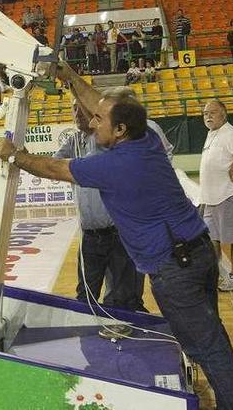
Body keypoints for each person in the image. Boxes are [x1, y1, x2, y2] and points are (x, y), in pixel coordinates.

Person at [0, 62, 233, 410]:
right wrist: (68, 76)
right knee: (211, 337)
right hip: (197, 254)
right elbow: (100, 102)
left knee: (206, 347)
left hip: (175, 267)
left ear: (119, 130)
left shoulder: (114, 165)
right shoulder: (145, 137)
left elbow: (54, 168)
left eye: (99, 120)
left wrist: (14, 154)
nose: (92, 121)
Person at [54, 102, 145, 314]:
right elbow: (54, 164)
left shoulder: (107, 140)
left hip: (117, 234)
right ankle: (87, 338)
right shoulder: (73, 140)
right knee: (85, 294)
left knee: (122, 294)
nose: (76, 114)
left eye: (81, 109)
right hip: (90, 236)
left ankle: (123, 331)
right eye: (73, 109)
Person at [200, 100, 233, 292]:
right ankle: (215, 275)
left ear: (224, 114)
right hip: (210, 198)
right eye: (205, 113)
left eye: (212, 112)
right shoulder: (211, 134)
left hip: (227, 195)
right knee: (212, 239)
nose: (208, 116)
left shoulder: (230, 132)